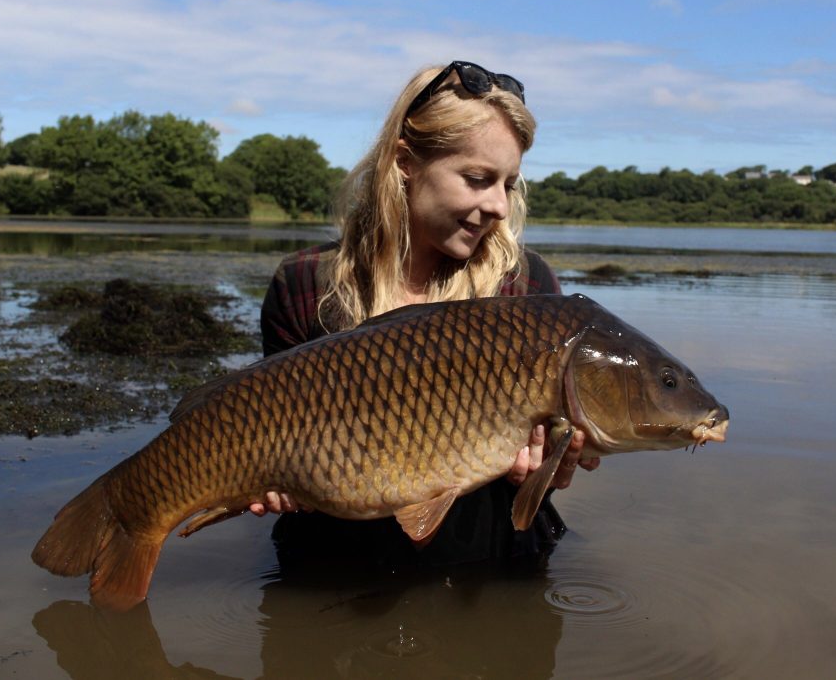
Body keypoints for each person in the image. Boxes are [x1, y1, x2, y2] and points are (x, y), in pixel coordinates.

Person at [250, 60, 598, 568]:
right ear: (405, 162)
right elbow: (263, 433)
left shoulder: (525, 288)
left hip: (490, 564)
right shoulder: (304, 285)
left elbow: (550, 466)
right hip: (336, 568)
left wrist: (548, 471)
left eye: (508, 184)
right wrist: (278, 478)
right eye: (478, 179)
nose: (500, 206)